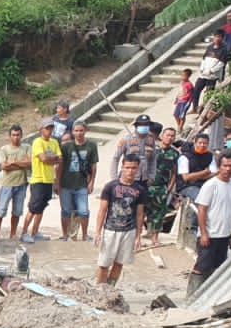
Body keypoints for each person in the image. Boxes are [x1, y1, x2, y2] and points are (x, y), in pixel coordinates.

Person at [95, 155, 148, 286]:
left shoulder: (140, 190)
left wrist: (138, 236)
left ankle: (110, 289)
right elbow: (102, 210)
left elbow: (140, 214)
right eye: (127, 168)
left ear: (138, 170)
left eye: (133, 168)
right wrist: (97, 231)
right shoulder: (110, 187)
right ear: (122, 168)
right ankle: (100, 289)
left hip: (129, 230)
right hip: (110, 229)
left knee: (119, 263)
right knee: (103, 264)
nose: (130, 171)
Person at [193, 153, 231, 295]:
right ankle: (193, 295)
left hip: (224, 233)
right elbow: (202, 210)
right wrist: (203, 233)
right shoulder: (211, 185)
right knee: (201, 266)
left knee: (218, 267)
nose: (228, 169)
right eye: (225, 166)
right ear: (219, 167)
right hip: (210, 233)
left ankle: (209, 295)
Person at [20, 121, 62, 243]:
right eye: (47, 128)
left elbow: (60, 159)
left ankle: (35, 232)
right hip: (38, 179)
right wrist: (52, 159)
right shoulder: (37, 142)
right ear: (41, 130)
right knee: (33, 208)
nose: (49, 131)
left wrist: (51, 159)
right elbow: (43, 159)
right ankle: (24, 232)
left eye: (51, 128)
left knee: (42, 207)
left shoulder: (54, 142)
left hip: (49, 180)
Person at [58, 122, 99, 241]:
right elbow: (60, 166)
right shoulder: (66, 147)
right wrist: (57, 183)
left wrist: (91, 182)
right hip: (66, 183)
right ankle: (65, 234)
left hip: (82, 184)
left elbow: (93, 166)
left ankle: (85, 235)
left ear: (85, 131)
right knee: (65, 210)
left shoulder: (91, 146)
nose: (79, 133)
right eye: (76, 131)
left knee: (84, 211)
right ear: (72, 132)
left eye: (81, 130)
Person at [144, 126, 182, 248]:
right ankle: (136, 236)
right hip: (147, 186)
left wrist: (169, 188)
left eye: (172, 136)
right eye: (167, 135)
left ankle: (155, 238)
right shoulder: (151, 150)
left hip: (162, 187)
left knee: (159, 214)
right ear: (161, 136)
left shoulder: (175, 154)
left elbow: (175, 173)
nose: (170, 138)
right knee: (141, 212)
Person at [0, 124, 29, 242]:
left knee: (17, 211)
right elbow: (4, 166)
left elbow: (29, 164)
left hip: (21, 184)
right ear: (9, 136)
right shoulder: (4, 149)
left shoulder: (26, 147)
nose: (16, 137)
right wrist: (20, 163)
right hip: (7, 184)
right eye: (13, 135)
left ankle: (13, 233)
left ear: (21, 135)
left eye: (18, 135)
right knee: (1, 209)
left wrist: (13, 162)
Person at [192, 39, 225, 108]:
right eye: (215, 37)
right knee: (196, 90)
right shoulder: (210, 47)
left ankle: (206, 109)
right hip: (203, 74)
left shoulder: (223, 49)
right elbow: (204, 59)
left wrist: (211, 70)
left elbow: (221, 63)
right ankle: (195, 107)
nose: (216, 39)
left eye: (218, 37)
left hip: (212, 76)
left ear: (222, 38)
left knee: (209, 93)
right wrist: (202, 68)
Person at [173, 69, 195, 133]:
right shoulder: (182, 83)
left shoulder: (189, 84)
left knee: (182, 115)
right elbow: (180, 91)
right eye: (182, 75)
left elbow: (192, 94)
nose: (182, 77)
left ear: (188, 76)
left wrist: (189, 102)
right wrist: (176, 99)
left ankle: (180, 127)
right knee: (176, 114)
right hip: (180, 101)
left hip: (185, 102)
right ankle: (179, 126)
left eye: (184, 76)